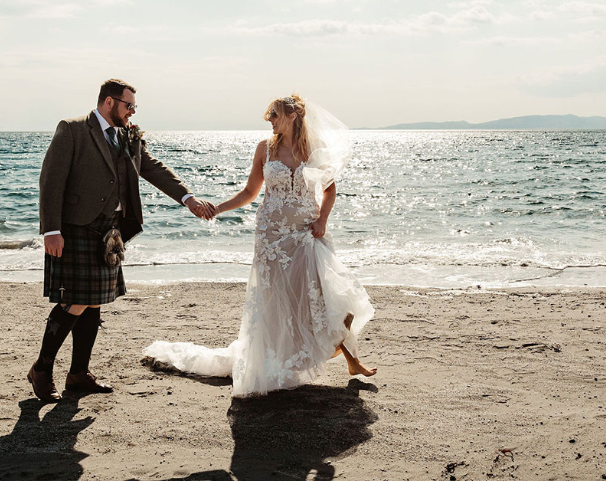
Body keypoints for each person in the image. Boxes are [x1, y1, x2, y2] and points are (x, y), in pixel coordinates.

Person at [145, 95, 375, 397]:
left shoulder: (314, 149)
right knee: (277, 300)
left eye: (275, 114)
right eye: (269, 115)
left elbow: (329, 192)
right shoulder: (264, 150)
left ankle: (352, 359)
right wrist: (219, 208)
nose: (270, 119)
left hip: (307, 232)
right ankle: (280, 360)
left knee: (327, 294)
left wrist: (323, 220)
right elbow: (250, 192)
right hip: (271, 236)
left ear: (293, 116)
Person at [29, 78, 216, 403]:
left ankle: (78, 374)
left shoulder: (128, 136)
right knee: (76, 300)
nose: (132, 112)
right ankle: (42, 369)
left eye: (134, 107)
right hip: (75, 228)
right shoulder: (72, 129)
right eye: (128, 105)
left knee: (95, 300)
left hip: (109, 231)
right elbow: (51, 179)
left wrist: (188, 198)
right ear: (109, 103)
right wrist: (50, 229)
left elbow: (151, 167)